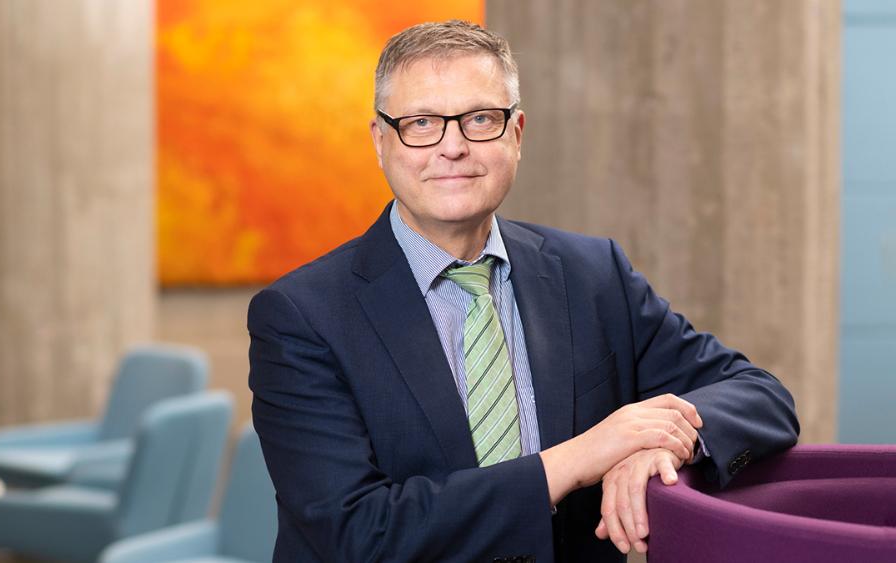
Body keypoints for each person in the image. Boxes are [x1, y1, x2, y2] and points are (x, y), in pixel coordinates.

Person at [248, 19, 798, 563]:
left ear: (516, 134)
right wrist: (579, 458)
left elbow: (761, 397)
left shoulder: (593, 275)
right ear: (380, 140)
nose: (453, 147)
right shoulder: (302, 315)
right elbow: (357, 535)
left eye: (480, 119)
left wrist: (665, 442)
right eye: (421, 123)